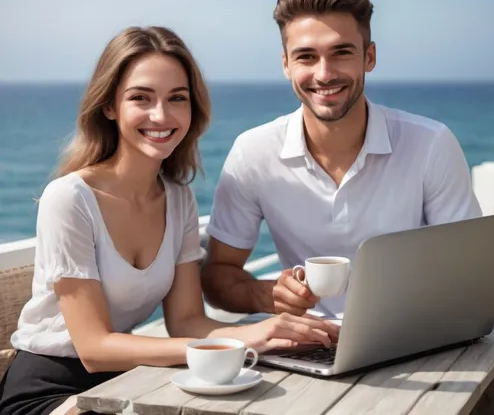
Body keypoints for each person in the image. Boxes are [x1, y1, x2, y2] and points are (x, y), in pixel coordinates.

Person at [0, 26, 338, 415]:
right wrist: (245, 342)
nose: (161, 115)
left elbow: (188, 321)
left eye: (177, 98)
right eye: (140, 98)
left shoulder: (178, 200)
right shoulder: (71, 199)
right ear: (109, 106)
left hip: (126, 379)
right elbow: (93, 349)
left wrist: (273, 333)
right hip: (51, 391)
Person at [201, 0, 483, 321]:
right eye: (306, 56)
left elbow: (469, 274)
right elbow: (217, 277)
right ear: (286, 64)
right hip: (305, 346)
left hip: (409, 337)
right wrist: (267, 294)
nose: (324, 73)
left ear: (369, 56)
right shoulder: (253, 152)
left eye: (341, 53)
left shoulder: (430, 143)